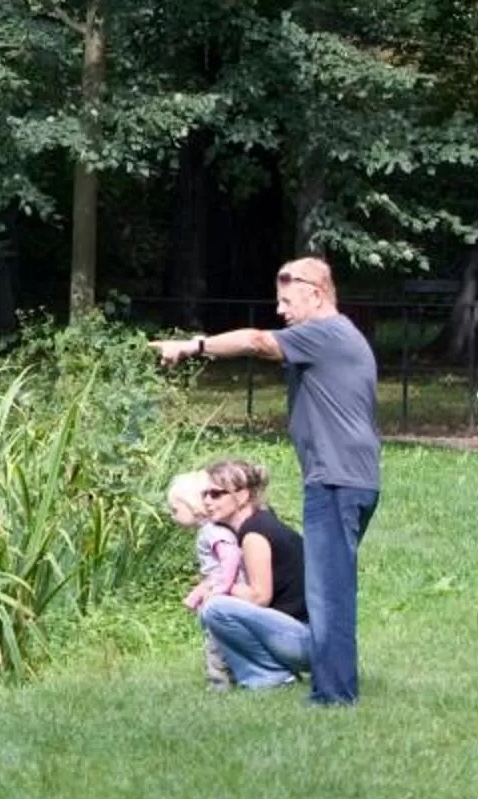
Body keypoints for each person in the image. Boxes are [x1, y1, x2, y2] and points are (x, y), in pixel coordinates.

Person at [156, 256, 381, 705]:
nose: (280, 310)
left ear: (315, 293)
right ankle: (325, 685)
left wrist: (193, 345)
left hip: (336, 481)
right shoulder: (336, 337)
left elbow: (257, 341)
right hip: (345, 478)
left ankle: (334, 696)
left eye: (285, 299)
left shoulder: (326, 332)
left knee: (329, 594)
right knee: (329, 589)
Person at [181, 461, 308, 690]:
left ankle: (271, 675)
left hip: (305, 640)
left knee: (216, 608)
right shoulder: (258, 522)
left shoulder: (255, 534)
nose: (208, 501)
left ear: (242, 496)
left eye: (216, 494)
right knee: (217, 606)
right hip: (299, 635)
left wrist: (219, 587)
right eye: (205, 494)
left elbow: (259, 597)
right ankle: (266, 672)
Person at [164, 470, 245, 686]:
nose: (172, 515)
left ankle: (219, 682)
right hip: (223, 592)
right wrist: (197, 593)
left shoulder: (212, 532)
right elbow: (214, 570)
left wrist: (221, 589)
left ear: (192, 506)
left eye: (175, 510)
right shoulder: (210, 530)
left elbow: (231, 557)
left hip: (227, 596)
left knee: (216, 642)